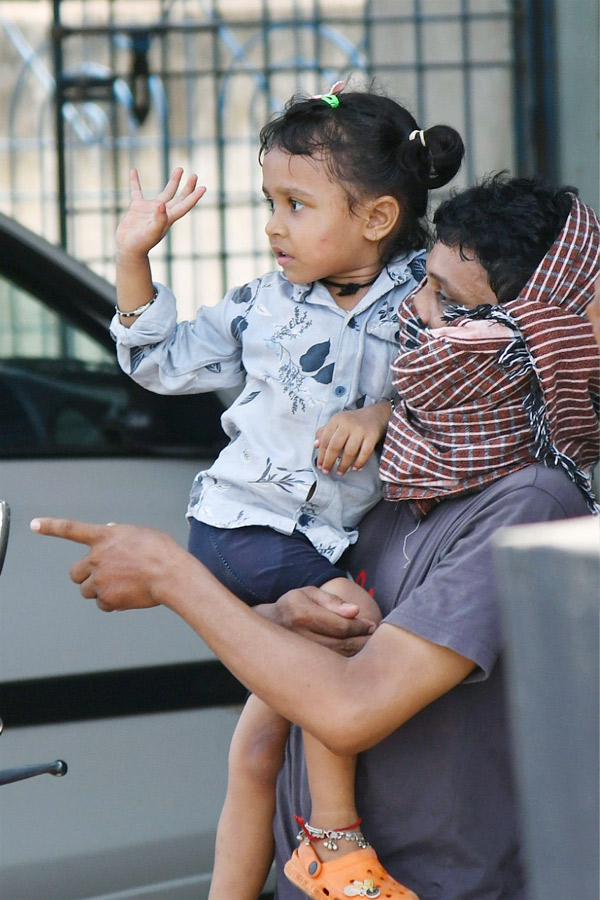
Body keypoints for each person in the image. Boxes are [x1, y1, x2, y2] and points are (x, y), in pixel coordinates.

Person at [31, 174, 600, 900]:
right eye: (421, 286)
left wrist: (174, 576)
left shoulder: (530, 506)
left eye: (451, 305)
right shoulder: (400, 474)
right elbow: (308, 666)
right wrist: (276, 618)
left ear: (529, 342)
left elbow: (351, 707)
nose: (413, 315)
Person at [109, 81, 464, 900]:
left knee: (264, 741)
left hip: (329, 537)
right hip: (248, 529)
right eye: (269, 200)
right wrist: (135, 259)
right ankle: (334, 849)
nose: (272, 224)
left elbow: (463, 381)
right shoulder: (262, 306)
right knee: (350, 636)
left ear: (376, 218)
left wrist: (384, 409)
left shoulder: (425, 297)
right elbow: (160, 364)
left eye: (296, 204)